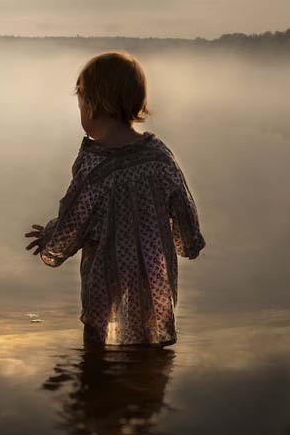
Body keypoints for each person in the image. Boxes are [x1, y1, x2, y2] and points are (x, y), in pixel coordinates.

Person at [24, 51, 206, 347]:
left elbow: (75, 220)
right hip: (154, 282)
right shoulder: (160, 157)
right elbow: (184, 211)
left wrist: (50, 238)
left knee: (97, 360)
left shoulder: (95, 165)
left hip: (105, 284)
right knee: (151, 356)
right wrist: (186, 242)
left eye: (81, 103)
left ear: (92, 107)